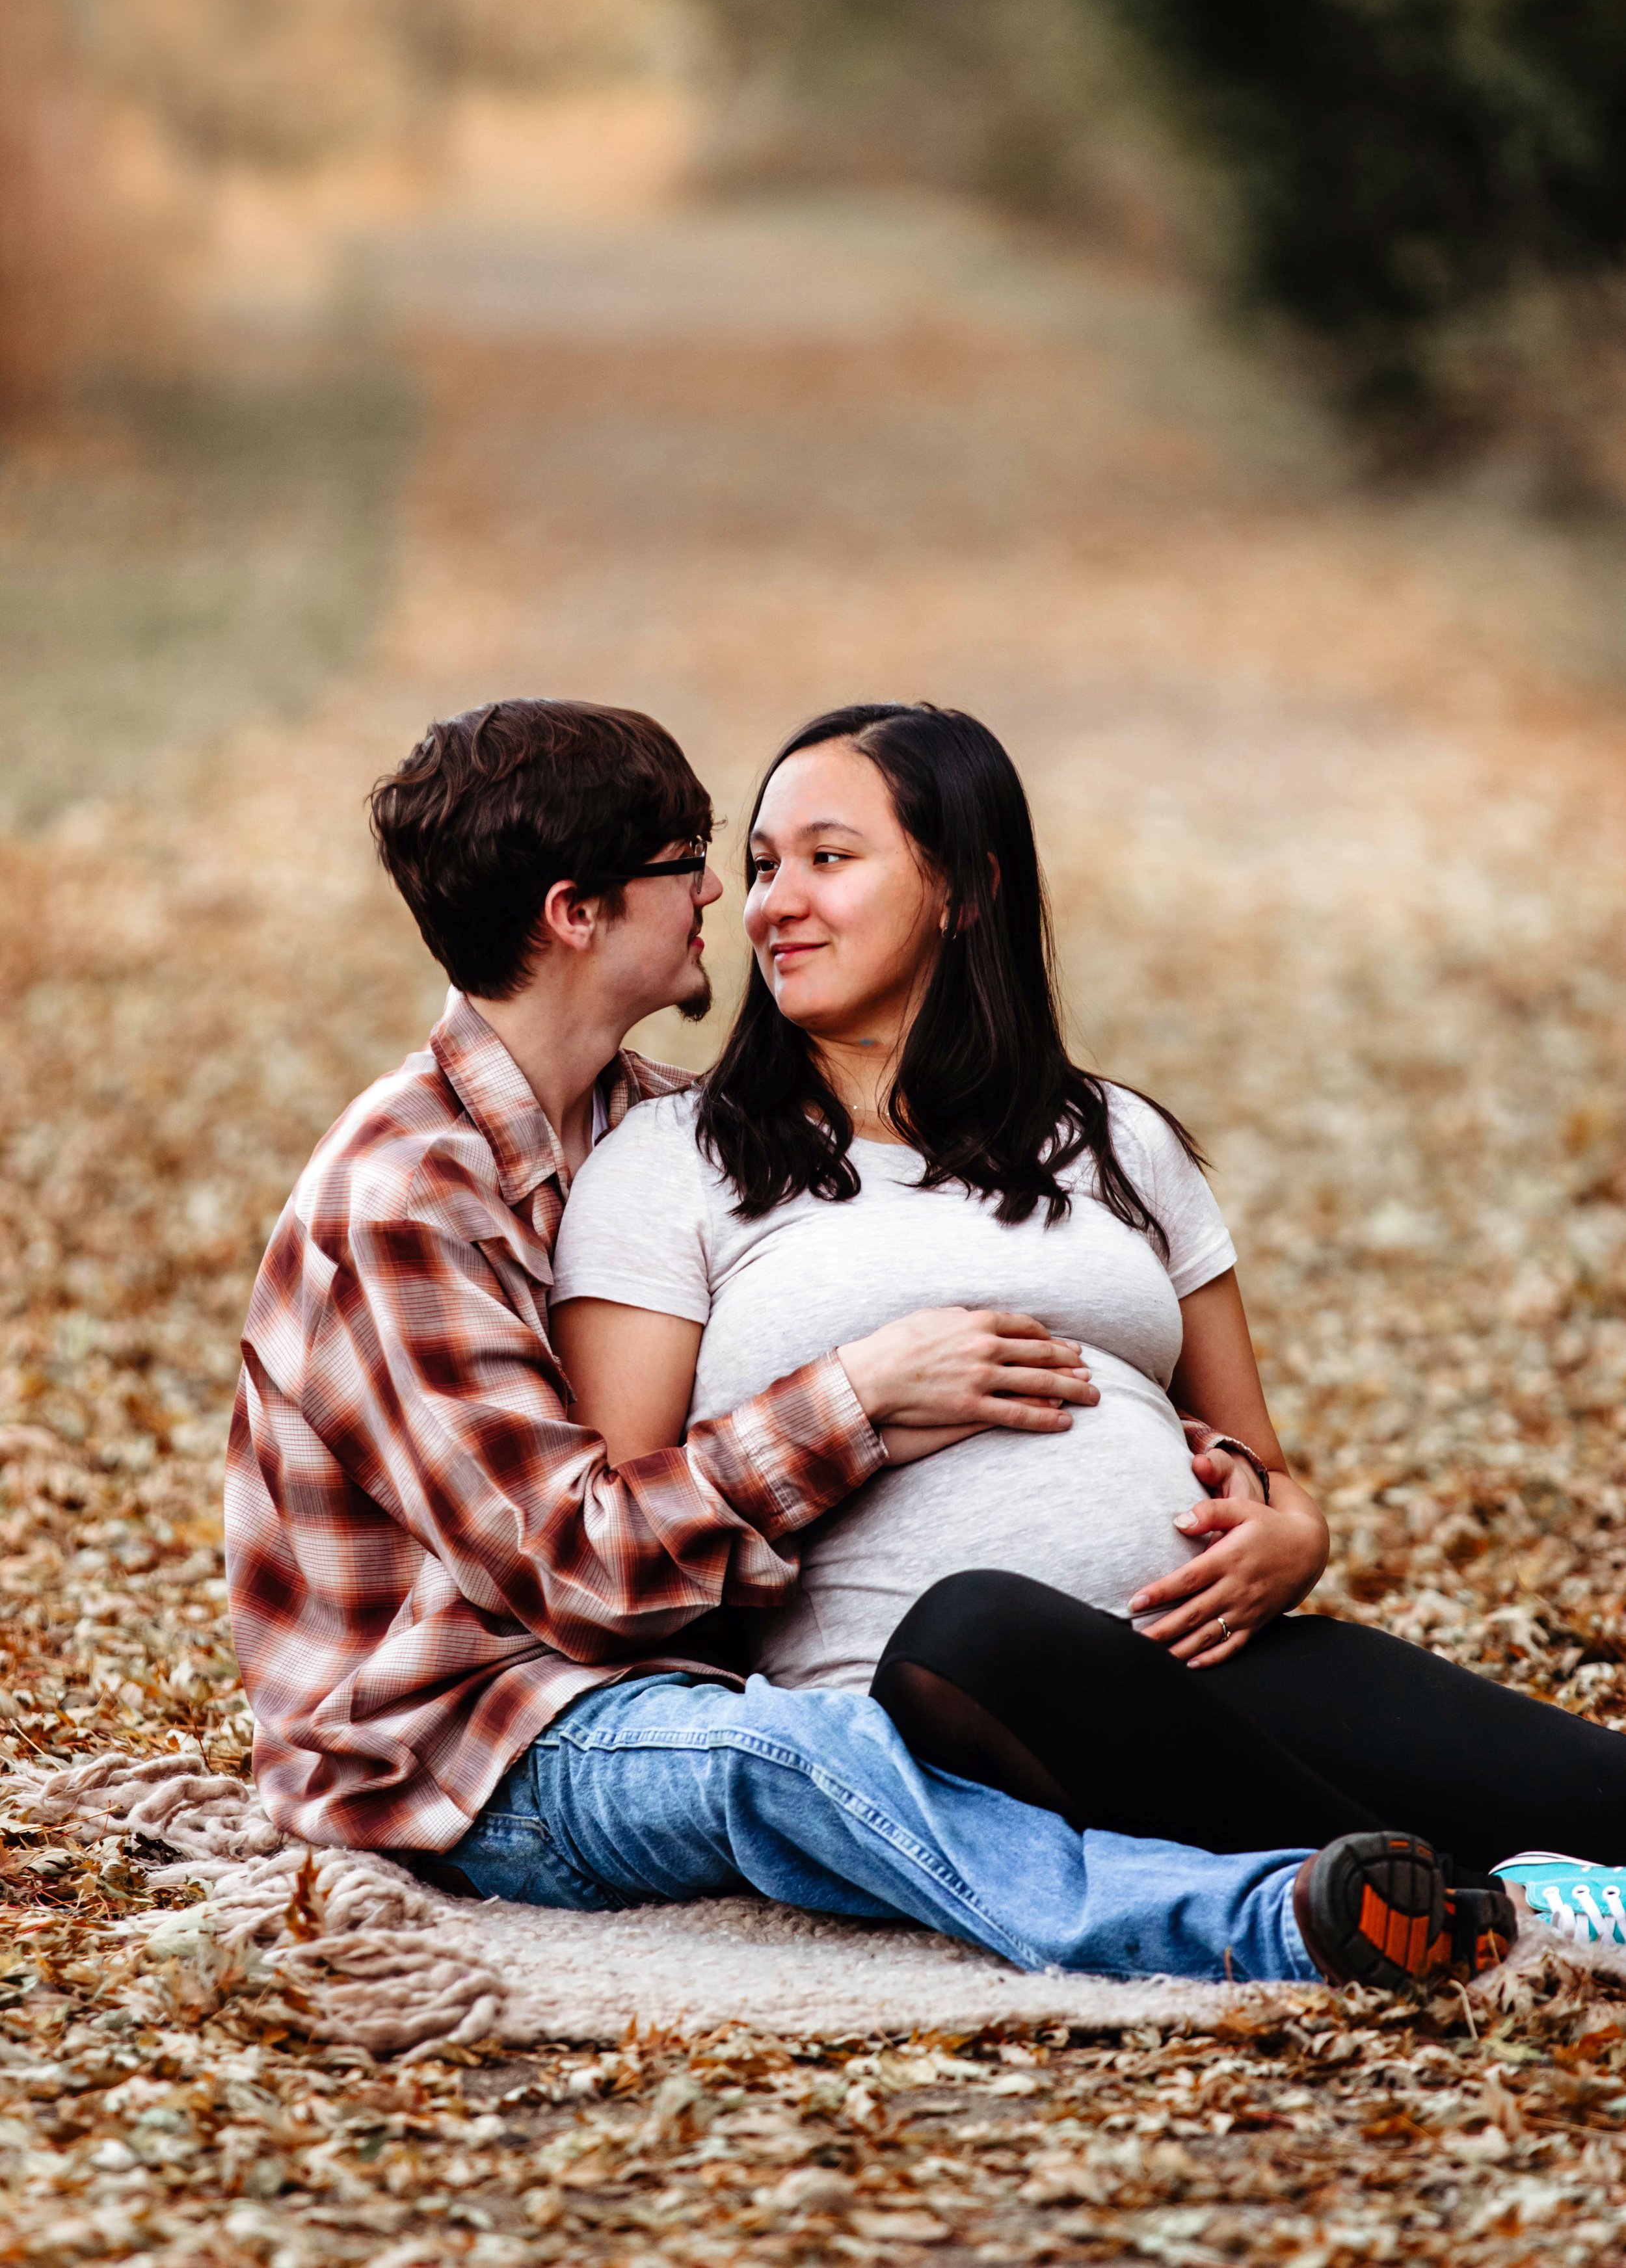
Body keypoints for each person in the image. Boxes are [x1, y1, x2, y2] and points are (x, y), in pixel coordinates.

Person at [224, 695, 1508, 1994]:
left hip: (730, 1686)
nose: (731, 899)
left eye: (799, 862)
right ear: (576, 912)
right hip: (479, 1740)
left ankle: (1499, 1874)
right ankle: (1267, 1922)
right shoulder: (401, 1196)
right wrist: (859, 1400)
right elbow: (578, 1574)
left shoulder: (643, 1119)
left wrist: (1254, 1495)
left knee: (803, 1745)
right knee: (799, 1764)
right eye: (702, 867)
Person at [550, 699, 1624, 1935]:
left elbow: (1256, 1458)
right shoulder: (674, 1162)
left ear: (965, 887)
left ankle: (1458, 1885)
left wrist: (1295, 1533)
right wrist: (861, 1397)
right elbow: (624, 1543)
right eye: (759, 865)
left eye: (827, 859)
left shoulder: (1117, 1138)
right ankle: (1489, 1904)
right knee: (977, 1619)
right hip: (939, 1709)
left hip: (1212, 1659)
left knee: (1605, 1791)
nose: (771, 904)